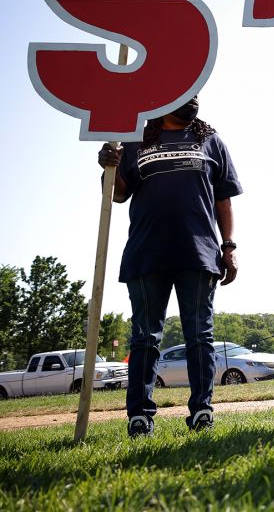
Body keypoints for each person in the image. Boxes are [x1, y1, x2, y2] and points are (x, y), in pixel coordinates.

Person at [97, 95, 243, 436]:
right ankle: (140, 416)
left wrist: (229, 246)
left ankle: (202, 411)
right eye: (183, 94)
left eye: (195, 94)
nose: (191, 99)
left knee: (200, 337)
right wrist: (109, 165)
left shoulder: (210, 140)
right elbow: (117, 195)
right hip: (147, 254)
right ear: (160, 101)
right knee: (144, 338)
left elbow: (224, 197)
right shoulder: (134, 142)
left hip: (199, 253)